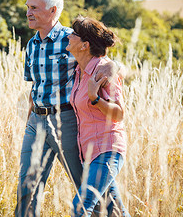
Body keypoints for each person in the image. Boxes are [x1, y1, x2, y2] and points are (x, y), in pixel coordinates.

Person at [16, 0, 119, 216]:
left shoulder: (71, 40)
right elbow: (35, 86)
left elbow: (105, 61)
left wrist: (112, 70)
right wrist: (29, 121)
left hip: (67, 122)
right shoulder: (31, 45)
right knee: (27, 186)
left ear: (52, 11)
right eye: (27, 8)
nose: (28, 13)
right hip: (36, 121)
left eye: (33, 8)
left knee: (85, 184)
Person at [66, 16, 130, 217]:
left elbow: (119, 114)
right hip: (89, 154)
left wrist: (95, 98)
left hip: (107, 150)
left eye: (74, 33)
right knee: (115, 212)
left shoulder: (103, 71)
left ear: (85, 45)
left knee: (80, 208)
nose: (69, 35)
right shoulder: (77, 69)